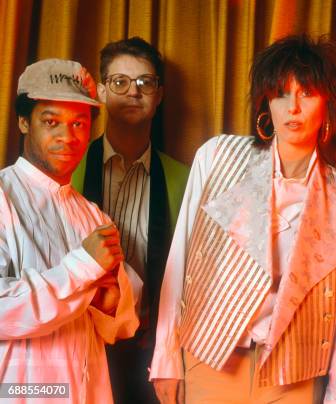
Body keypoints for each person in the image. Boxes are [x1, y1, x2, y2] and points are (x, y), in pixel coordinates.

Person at [150, 34, 336, 404]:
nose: (293, 108)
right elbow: (181, 262)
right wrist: (166, 356)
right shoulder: (218, 157)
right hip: (212, 359)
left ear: (328, 105)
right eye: (281, 93)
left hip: (294, 376)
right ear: (266, 101)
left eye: (307, 93)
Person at [0, 59, 140, 403]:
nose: (67, 136)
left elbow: (121, 328)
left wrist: (110, 304)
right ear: (23, 122)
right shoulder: (2, 198)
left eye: (79, 123)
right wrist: (83, 268)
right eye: (51, 122)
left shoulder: (93, 216)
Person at [71, 37, 189, 403]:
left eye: (145, 83)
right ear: (102, 92)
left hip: (151, 353)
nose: (133, 92)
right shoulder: (67, 173)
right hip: (78, 344)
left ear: (159, 95)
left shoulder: (185, 179)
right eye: (120, 82)